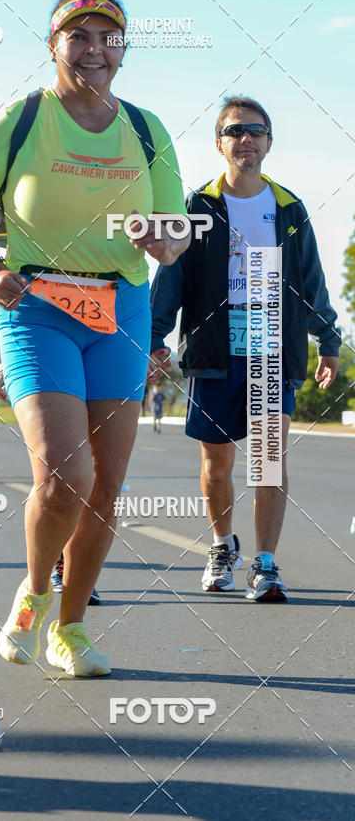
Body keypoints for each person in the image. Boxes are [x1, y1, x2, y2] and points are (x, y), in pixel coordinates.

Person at [0, 0, 188, 676]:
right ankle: (34, 593)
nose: (92, 51)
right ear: (52, 46)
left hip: (122, 311)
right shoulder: (23, 120)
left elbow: (175, 230)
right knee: (66, 475)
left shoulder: (147, 130)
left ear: (123, 51)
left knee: (107, 485)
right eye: (77, 37)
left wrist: (164, 240)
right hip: (37, 306)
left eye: (107, 38)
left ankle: (72, 630)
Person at [150, 95, 340, 602]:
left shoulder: (289, 208)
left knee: (268, 459)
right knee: (217, 462)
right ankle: (220, 547)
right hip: (214, 344)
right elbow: (170, 276)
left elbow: (311, 280)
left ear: (269, 142)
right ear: (219, 143)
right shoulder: (196, 206)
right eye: (235, 131)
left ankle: (266, 563)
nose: (246, 139)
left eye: (256, 131)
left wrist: (328, 338)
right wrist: (154, 340)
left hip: (270, 337)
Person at [0, 362, 101, 606]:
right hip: (53, 362)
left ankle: (79, 573)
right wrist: (5, 363)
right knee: (63, 478)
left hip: (102, 353)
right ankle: (56, 568)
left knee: (94, 479)